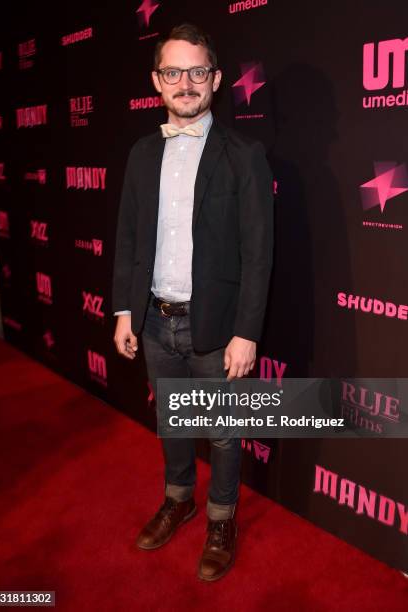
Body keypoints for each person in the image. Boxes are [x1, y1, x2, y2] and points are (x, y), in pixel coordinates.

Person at [112, 23, 274, 582]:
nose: (187, 83)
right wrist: (125, 310)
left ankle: (221, 520)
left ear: (216, 79)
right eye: (174, 72)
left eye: (197, 71)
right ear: (156, 81)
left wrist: (246, 332)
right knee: (173, 423)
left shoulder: (243, 155)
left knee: (224, 432)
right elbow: (130, 239)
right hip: (156, 321)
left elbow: (258, 253)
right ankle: (178, 499)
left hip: (219, 327)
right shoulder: (140, 154)